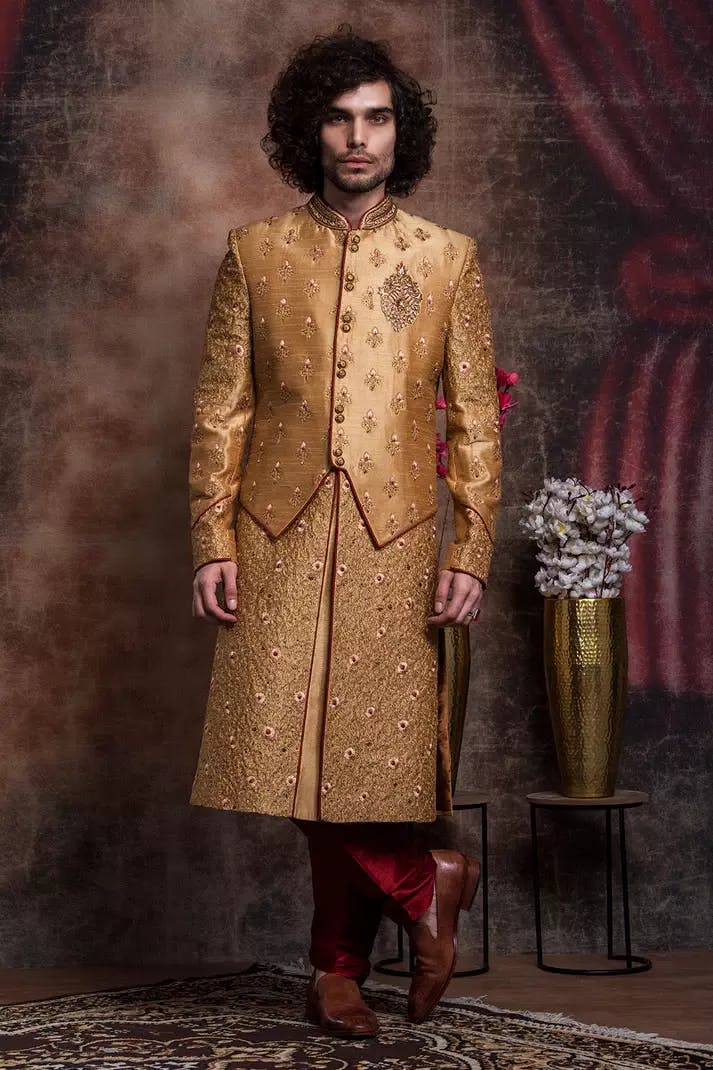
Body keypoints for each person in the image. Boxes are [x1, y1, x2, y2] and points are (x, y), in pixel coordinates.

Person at [188, 28, 503, 1038]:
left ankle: (338, 969)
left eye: (376, 118)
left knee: (363, 764)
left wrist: (468, 549)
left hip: (393, 537)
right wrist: (212, 539)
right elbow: (221, 411)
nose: (357, 137)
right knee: (285, 751)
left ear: (400, 133)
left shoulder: (445, 259)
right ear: (308, 131)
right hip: (274, 530)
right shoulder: (254, 252)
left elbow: (476, 421)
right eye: (338, 118)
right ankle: (420, 885)